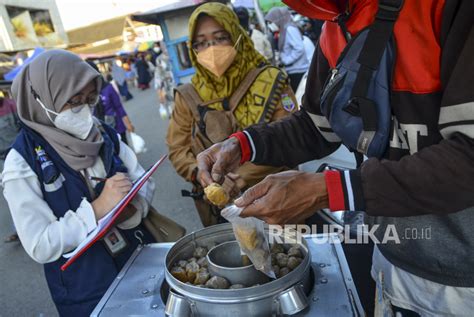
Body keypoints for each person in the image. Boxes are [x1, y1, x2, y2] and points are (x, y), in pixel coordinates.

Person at [197, 0, 474, 316]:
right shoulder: (335, 25)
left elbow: (468, 156)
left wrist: (331, 190)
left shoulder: (448, 9)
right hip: (389, 253)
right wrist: (244, 145)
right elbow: (316, 126)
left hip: (463, 280)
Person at [3, 50, 155, 316]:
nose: (83, 110)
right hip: (86, 292)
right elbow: (40, 244)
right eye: (73, 101)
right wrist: (97, 210)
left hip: (138, 261)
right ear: (40, 98)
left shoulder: (103, 134)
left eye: (89, 99)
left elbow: (143, 180)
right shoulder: (22, 162)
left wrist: (135, 206)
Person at [166, 2, 297, 227]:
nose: (212, 49)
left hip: (275, 201)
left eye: (220, 38)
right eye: (201, 43)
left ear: (237, 35)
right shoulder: (188, 94)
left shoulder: (270, 81)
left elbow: (293, 136)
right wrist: (202, 175)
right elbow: (178, 149)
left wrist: (242, 176)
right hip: (220, 212)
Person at [265, 7, 310, 92]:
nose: (270, 25)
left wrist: (286, 60)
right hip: (293, 70)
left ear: (278, 19)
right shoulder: (284, 30)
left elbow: (299, 48)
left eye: (271, 22)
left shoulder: (289, 29)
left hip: (298, 70)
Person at [0, 91, 21, 243]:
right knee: (12, 194)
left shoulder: (11, 105)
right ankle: (19, 230)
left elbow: (22, 128)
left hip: (17, 155)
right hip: (2, 160)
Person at [100, 74, 135, 144]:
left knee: (123, 147)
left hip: (116, 125)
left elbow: (119, 106)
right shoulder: (87, 94)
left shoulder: (108, 88)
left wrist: (128, 123)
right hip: (101, 131)